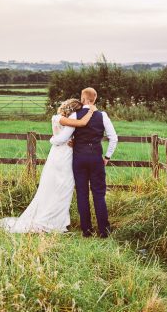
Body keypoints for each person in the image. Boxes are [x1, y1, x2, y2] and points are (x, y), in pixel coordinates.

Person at [0, 98, 97, 233]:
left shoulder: (56, 118)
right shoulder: (67, 120)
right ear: (74, 111)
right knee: (62, 188)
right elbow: (69, 132)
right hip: (64, 156)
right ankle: (54, 222)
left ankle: (59, 221)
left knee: (55, 188)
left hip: (56, 155)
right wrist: (91, 112)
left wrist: (75, 141)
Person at [50, 87, 118, 238]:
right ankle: (104, 230)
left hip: (79, 159)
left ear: (83, 98)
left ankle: (86, 230)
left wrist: (71, 141)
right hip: (96, 159)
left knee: (82, 193)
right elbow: (114, 138)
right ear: (94, 99)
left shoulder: (75, 115)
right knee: (99, 194)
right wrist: (107, 157)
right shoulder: (103, 116)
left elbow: (65, 136)